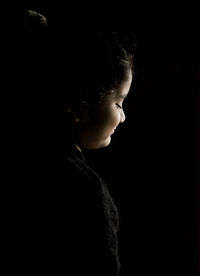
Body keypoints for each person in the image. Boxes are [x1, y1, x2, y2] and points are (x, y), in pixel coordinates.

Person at [11, 9, 136, 275]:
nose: (123, 117)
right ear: (79, 107)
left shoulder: (19, 159)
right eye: (118, 103)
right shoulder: (85, 193)